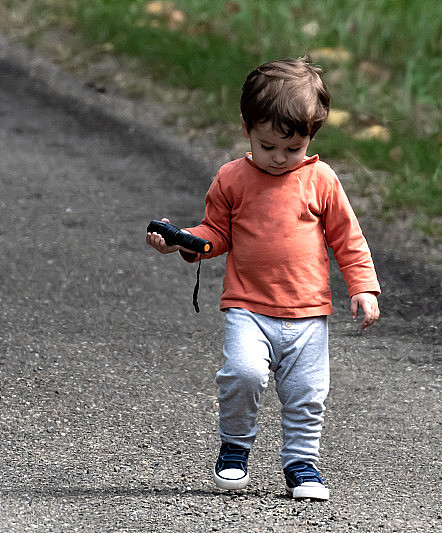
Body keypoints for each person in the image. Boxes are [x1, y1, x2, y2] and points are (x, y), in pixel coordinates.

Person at [145, 57, 381, 500]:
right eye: (267, 145)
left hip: (308, 313)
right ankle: (235, 447)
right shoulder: (232, 178)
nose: (279, 158)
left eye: (293, 148)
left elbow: (348, 238)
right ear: (246, 128)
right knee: (243, 375)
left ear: (311, 136)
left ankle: (301, 464)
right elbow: (216, 233)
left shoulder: (321, 180)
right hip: (248, 307)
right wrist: (184, 242)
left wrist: (363, 287)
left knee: (307, 394)